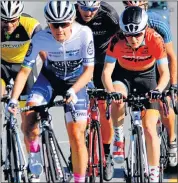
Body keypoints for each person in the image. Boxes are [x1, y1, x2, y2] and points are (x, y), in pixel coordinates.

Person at [7, 1, 94, 183]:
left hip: (75, 81)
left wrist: (73, 90)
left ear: (72, 20)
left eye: (64, 24)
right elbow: (24, 71)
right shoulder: (40, 39)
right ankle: (35, 154)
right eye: (55, 25)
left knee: (77, 135)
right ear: (48, 23)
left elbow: (88, 72)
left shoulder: (84, 34)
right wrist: (14, 99)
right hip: (48, 81)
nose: (60, 29)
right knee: (30, 114)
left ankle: (79, 180)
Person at [102, 6, 170, 182]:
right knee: (117, 97)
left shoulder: (154, 38)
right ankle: (118, 137)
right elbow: (106, 73)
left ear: (145, 30)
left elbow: (165, 73)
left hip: (148, 78)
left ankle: (154, 172)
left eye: (137, 35)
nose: (133, 39)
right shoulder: (116, 40)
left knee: (149, 127)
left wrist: (158, 91)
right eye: (128, 35)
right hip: (124, 77)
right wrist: (111, 92)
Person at [121, 0, 177, 167]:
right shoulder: (124, 23)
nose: (134, 13)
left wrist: (173, 87)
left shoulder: (158, 23)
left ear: (146, 7)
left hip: (158, 67)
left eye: (139, 8)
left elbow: (171, 58)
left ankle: (172, 139)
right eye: (130, 8)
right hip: (136, 67)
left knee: (165, 104)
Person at [75, 1, 120, 180]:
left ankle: (107, 154)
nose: (88, 12)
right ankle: (76, 149)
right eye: (84, 8)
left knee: (103, 108)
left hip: (102, 62)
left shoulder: (109, 15)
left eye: (93, 8)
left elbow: (121, 41)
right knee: (77, 110)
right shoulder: (70, 15)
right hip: (79, 62)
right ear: (77, 6)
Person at [1, 1, 46, 99]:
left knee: (28, 111)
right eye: (4, 21)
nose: (9, 25)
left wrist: (49, 75)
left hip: (24, 65)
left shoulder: (31, 25)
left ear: (19, 17)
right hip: (2, 64)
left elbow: (44, 54)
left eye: (13, 20)